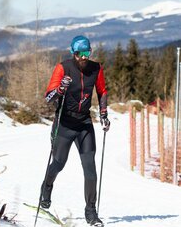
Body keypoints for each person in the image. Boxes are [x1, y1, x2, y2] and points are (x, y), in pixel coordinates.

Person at [41, 35, 110, 226]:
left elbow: (102, 91)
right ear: (73, 53)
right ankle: (46, 188)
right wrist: (61, 89)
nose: (83, 57)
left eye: (87, 53)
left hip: (84, 124)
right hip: (64, 123)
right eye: (79, 53)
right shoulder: (63, 68)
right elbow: (49, 97)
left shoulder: (96, 68)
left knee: (90, 170)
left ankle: (91, 212)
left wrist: (103, 114)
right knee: (58, 163)